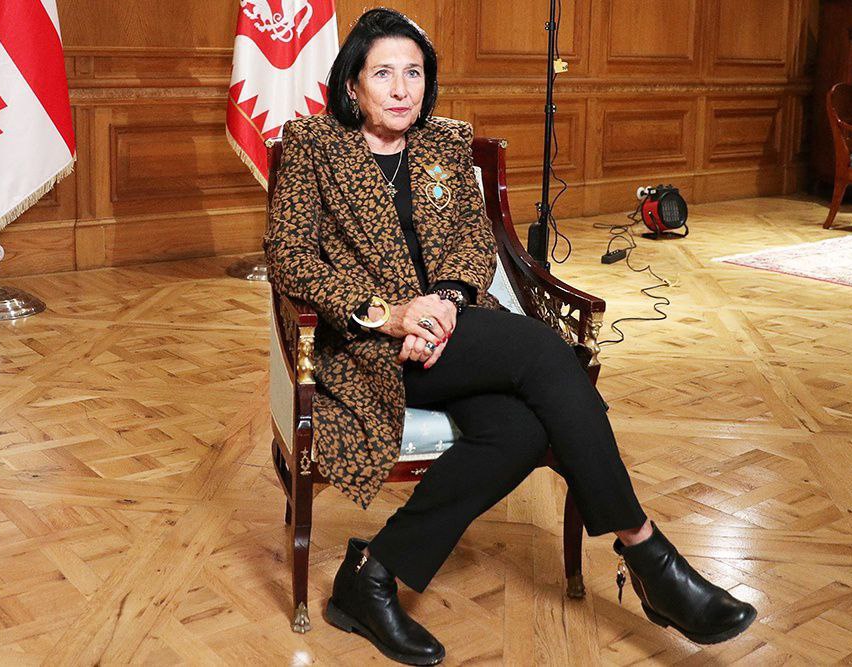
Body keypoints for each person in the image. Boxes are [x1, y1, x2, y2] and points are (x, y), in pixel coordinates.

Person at [263, 8, 756, 665]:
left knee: (519, 430)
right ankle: (648, 556)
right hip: (369, 345)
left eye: (414, 73)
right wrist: (392, 314)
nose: (403, 88)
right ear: (352, 84)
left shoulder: (444, 142)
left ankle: (370, 576)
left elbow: (474, 238)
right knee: (544, 350)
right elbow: (291, 259)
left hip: (453, 328)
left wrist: (443, 304)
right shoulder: (312, 146)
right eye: (383, 74)